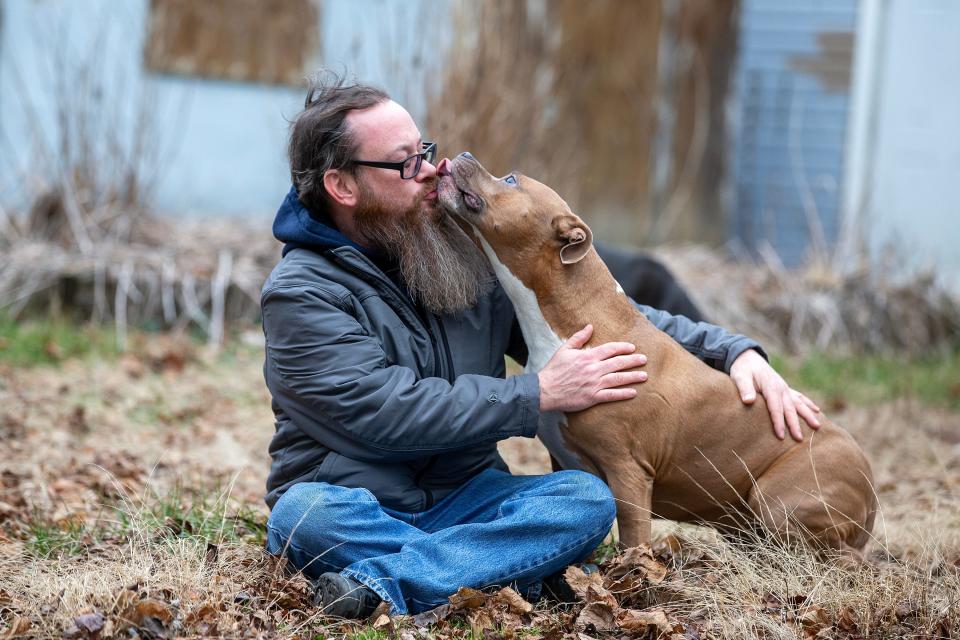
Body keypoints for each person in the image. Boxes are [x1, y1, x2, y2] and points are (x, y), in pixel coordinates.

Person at [261, 74, 822, 618]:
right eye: (406, 162)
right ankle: (486, 565)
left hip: (472, 501)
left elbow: (610, 319)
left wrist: (733, 351)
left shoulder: (453, 256)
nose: (431, 171)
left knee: (582, 500)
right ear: (343, 186)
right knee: (304, 514)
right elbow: (383, 413)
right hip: (357, 506)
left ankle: (384, 582)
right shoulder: (301, 294)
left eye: (424, 150)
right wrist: (538, 393)